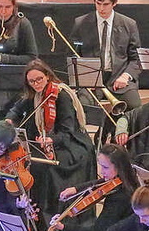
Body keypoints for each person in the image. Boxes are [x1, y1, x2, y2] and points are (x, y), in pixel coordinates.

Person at [7, 60, 96, 217]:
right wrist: (10, 119)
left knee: (45, 167)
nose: (36, 84)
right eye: (32, 81)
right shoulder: (34, 94)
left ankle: (49, 212)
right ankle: (32, 211)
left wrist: (51, 140)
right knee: (31, 162)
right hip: (46, 142)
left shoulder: (61, 95)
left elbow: (67, 130)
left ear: (47, 76)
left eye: (39, 79)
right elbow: (16, 109)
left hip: (72, 144)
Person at [74, 0, 143, 114]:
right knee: (84, 107)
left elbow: (136, 59)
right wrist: (85, 78)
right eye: (98, 3)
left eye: (105, 4)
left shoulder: (129, 24)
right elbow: (73, 55)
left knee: (136, 108)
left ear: (114, 3)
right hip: (91, 80)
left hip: (119, 77)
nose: (101, 9)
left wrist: (126, 76)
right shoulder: (81, 23)